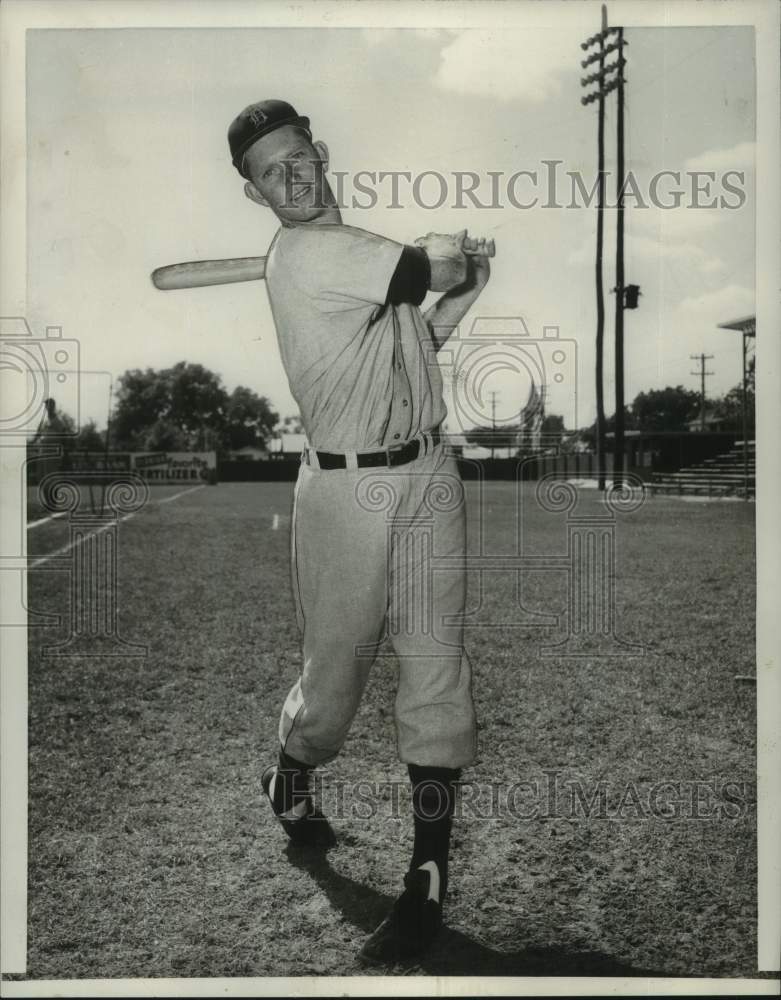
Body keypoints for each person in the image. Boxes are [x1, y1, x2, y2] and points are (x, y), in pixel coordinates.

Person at [227, 99, 493, 964]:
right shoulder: (307, 254)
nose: (292, 174)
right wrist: (451, 254)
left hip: (426, 475)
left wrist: (467, 287)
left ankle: (425, 882)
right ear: (254, 192)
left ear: (321, 152)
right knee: (332, 688)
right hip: (343, 494)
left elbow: (417, 336)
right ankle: (292, 774)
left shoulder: (357, 261)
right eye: (271, 170)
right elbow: (424, 268)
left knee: (434, 667)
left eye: (298, 155)